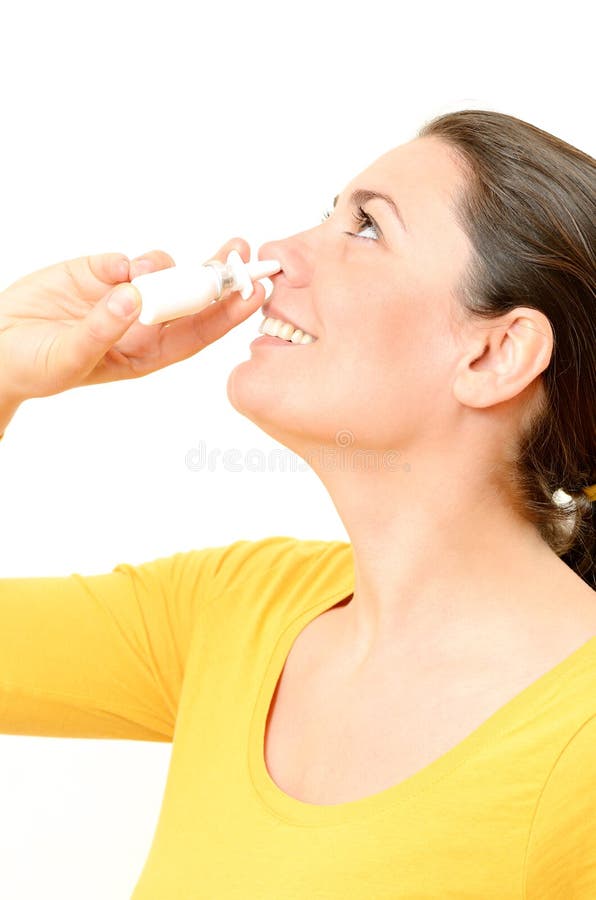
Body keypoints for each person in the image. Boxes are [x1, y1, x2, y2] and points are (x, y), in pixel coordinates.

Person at [0, 108, 594, 898]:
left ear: (496, 353)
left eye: (368, 228)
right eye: (328, 213)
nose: (276, 255)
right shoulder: (235, 608)